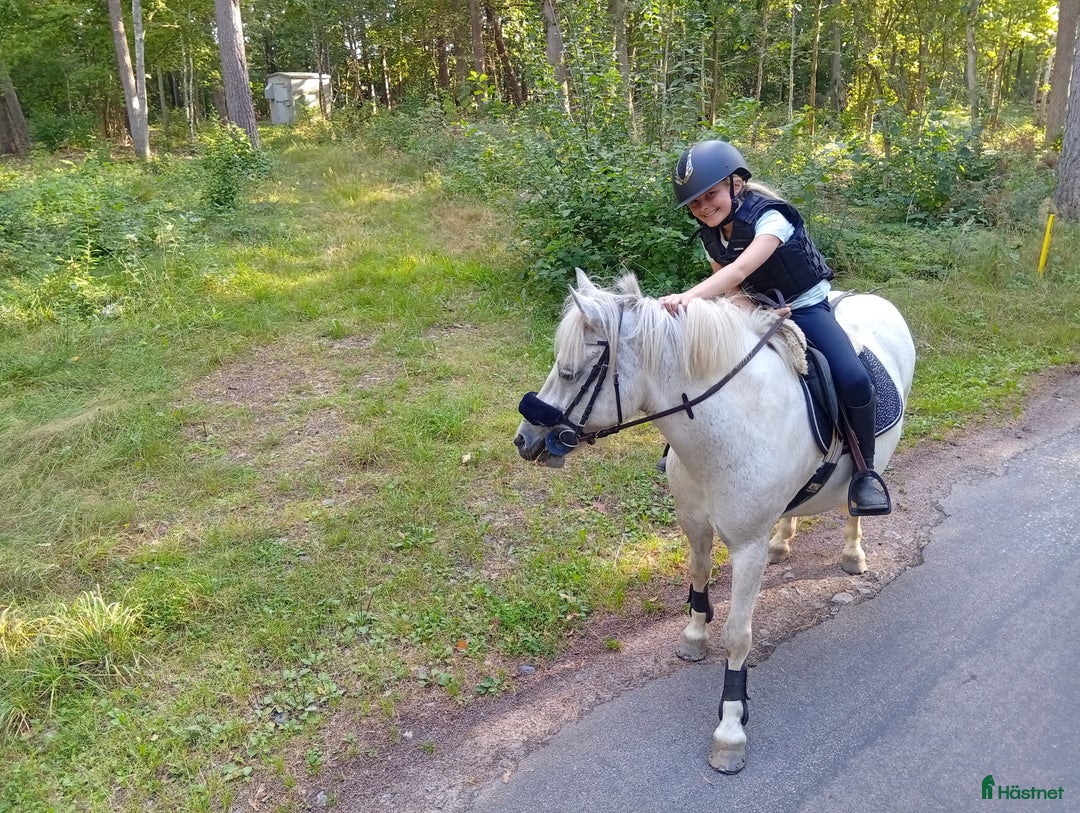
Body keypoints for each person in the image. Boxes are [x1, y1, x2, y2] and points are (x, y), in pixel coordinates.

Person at [656, 139, 891, 516]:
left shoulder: (772, 217)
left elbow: (740, 269)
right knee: (706, 364)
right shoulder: (712, 235)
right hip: (757, 307)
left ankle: (865, 472)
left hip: (805, 306)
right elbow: (734, 289)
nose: (703, 208)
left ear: (735, 183)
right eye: (694, 203)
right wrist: (750, 310)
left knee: (853, 378)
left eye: (710, 195)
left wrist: (687, 298)